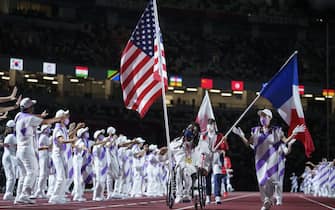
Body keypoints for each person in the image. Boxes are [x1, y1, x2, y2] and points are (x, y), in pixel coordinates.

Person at [232, 108, 305, 210]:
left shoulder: (277, 131)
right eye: (261, 116)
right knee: (262, 182)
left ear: (270, 118)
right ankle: (267, 201)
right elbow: (248, 144)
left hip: (272, 161)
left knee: (270, 180)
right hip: (260, 162)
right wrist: (241, 135)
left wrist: (294, 133)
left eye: (265, 116)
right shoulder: (256, 131)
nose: (262, 118)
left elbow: (286, 141)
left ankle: (268, 201)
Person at [15, 98, 63, 204]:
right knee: (33, 172)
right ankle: (24, 195)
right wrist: (56, 119)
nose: (33, 108)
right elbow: (45, 122)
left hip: (19, 149)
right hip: (26, 149)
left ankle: (19, 195)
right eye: (32, 106)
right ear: (29, 108)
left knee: (24, 174)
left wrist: (40, 115)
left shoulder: (18, 116)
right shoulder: (30, 119)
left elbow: (32, 117)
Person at [48, 110, 80, 204]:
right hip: (57, 154)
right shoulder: (58, 129)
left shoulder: (62, 128)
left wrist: (76, 129)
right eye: (65, 116)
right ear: (61, 118)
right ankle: (54, 197)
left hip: (62, 154)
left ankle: (60, 196)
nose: (67, 118)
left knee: (64, 176)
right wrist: (73, 140)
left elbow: (66, 136)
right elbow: (61, 140)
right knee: (61, 176)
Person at [170, 123, 200, 203]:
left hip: (191, 165)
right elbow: (170, 152)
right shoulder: (177, 141)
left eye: (193, 130)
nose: (191, 130)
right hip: (180, 164)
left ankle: (187, 192)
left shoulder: (197, 143)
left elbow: (198, 156)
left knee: (186, 171)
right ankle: (179, 194)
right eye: (190, 129)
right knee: (180, 169)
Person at [32, 124, 52, 198]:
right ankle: (38, 190)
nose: (49, 130)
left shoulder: (46, 137)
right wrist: (47, 147)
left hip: (46, 154)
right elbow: (39, 147)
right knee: (42, 173)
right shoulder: (43, 137)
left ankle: (41, 190)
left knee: (45, 174)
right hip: (42, 155)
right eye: (47, 128)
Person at [72, 127, 89, 201]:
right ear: (82, 134)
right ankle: (77, 195)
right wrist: (86, 149)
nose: (87, 133)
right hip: (77, 160)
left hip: (79, 159)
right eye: (85, 132)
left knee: (78, 178)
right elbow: (82, 146)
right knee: (77, 178)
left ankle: (77, 194)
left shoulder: (82, 140)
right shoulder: (80, 141)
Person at [212, 133, 230, 204]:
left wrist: (224, 141)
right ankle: (207, 196)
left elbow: (226, 148)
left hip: (218, 158)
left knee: (217, 177)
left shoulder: (220, 136)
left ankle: (217, 196)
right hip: (209, 157)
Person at [1, 120, 17, 200]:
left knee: (10, 176)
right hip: (10, 156)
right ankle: (8, 193)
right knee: (11, 176)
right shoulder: (11, 136)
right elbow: (18, 145)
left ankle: (8, 193)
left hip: (7, 156)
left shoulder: (7, 136)